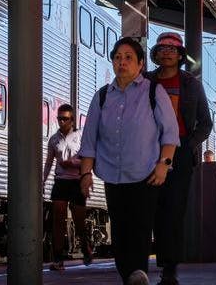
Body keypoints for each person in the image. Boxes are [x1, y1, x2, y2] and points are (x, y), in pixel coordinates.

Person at [79, 37, 179, 285]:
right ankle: (130, 275)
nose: (121, 62)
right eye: (117, 57)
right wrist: (85, 174)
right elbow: (89, 139)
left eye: (128, 58)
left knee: (140, 226)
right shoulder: (102, 97)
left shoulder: (154, 92)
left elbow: (170, 133)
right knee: (120, 229)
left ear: (140, 63)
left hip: (146, 172)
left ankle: (138, 273)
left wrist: (163, 165)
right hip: (112, 174)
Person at [146, 32, 213, 285]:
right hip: (148, 151)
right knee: (153, 209)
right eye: (161, 48)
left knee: (174, 209)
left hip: (181, 153)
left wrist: (188, 145)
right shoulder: (146, 80)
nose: (166, 52)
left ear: (180, 55)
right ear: (155, 53)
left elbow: (205, 123)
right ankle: (159, 260)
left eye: (172, 49)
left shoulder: (191, 84)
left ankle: (170, 267)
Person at [43, 103, 92, 271]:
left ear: (72, 120)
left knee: (79, 220)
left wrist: (72, 163)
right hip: (61, 181)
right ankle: (57, 258)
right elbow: (49, 162)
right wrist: (42, 182)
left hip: (77, 181)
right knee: (58, 219)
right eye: (59, 118)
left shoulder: (80, 136)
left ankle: (85, 247)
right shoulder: (53, 139)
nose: (61, 122)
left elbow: (87, 159)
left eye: (65, 119)